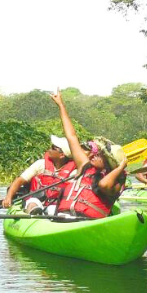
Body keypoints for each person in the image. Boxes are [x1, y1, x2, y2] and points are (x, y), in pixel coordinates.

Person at [50, 89, 127, 219]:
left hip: (89, 223)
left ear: (109, 164)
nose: (96, 154)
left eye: (101, 155)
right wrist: (61, 106)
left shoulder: (116, 183)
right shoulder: (84, 166)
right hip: (65, 218)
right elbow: (71, 137)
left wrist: (120, 168)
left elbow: (103, 185)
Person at [2, 135, 76, 214]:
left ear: (62, 155)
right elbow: (20, 180)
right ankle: (35, 214)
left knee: (53, 210)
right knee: (32, 204)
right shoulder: (40, 164)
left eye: (53, 148)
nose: (49, 150)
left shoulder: (73, 172)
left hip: (55, 205)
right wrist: (9, 197)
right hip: (35, 200)